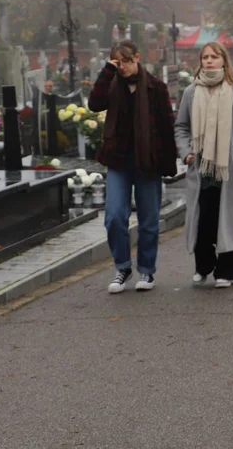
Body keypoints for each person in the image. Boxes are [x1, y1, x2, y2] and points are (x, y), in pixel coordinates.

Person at [88, 40, 178, 293]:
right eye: (118, 62)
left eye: (127, 60)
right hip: (118, 159)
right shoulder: (112, 84)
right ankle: (123, 266)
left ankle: (147, 271)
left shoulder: (155, 87)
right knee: (115, 216)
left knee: (148, 220)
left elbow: (166, 127)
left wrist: (169, 164)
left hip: (147, 161)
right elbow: (94, 104)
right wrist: (107, 71)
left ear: (137, 57)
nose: (123, 66)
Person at [175, 41, 233, 288]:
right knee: (203, 219)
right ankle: (203, 266)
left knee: (228, 220)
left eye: (214, 56)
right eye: (205, 57)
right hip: (200, 169)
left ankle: (227, 272)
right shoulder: (191, 92)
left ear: (224, 60)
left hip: (227, 168)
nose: (209, 61)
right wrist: (186, 152)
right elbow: (181, 126)